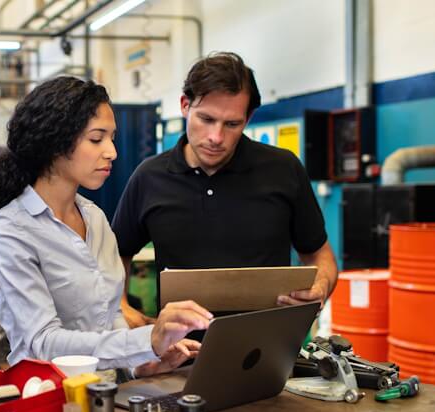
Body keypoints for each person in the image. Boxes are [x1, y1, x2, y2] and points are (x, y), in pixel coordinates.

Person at [0, 76, 213, 377]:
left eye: (112, 138)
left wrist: (144, 364)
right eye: (96, 138)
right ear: (54, 143)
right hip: (50, 402)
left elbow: (110, 316)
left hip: (112, 396)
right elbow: (41, 344)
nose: (112, 151)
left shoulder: (95, 219)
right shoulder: (11, 231)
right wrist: (146, 340)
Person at [112, 52, 338, 328]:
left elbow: (318, 254)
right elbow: (116, 254)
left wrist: (320, 286)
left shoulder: (283, 169)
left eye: (232, 124)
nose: (216, 138)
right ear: (185, 105)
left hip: (269, 348)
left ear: (249, 117)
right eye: (206, 119)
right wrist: (121, 306)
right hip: (176, 353)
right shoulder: (149, 177)